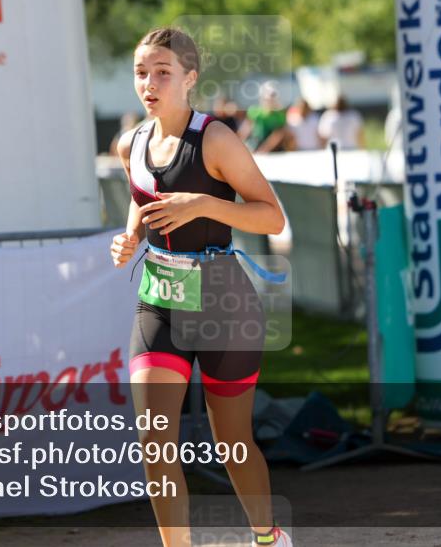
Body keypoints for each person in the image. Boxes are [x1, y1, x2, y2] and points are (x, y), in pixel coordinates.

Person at [109, 27, 293, 547]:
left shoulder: (214, 138)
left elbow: (271, 217)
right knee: (155, 441)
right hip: (159, 301)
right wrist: (129, 237)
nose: (150, 83)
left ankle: (267, 537)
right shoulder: (132, 142)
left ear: (189, 79)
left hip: (223, 303)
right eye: (142, 72)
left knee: (231, 441)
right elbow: (143, 198)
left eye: (163, 73)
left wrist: (205, 204)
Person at [238, 81, 289, 153]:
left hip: (274, 149)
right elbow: (246, 130)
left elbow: (278, 135)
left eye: (273, 97)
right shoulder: (254, 111)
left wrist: (264, 149)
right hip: (256, 144)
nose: (270, 100)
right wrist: (240, 145)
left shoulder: (279, 115)